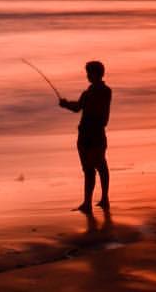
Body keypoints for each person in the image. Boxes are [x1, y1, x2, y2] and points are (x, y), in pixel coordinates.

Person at [59, 60, 111, 212]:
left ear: (97, 74)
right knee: (90, 168)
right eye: (87, 72)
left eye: (89, 72)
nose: (87, 75)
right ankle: (89, 202)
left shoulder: (104, 92)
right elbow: (77, 108)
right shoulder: (89, 93)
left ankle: (103, 199)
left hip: (95, 134)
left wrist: (68, 105)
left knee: (99, 166)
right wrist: (66, 104)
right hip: (85, 135)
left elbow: (82, 108)